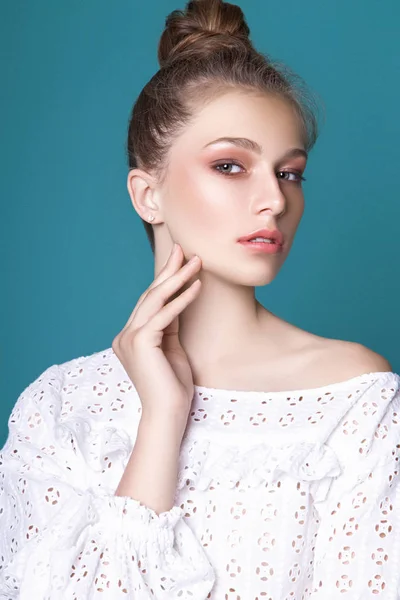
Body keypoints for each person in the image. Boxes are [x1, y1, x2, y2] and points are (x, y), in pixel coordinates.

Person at [1, 0, 399, 597]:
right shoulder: (59, 409)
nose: (274, 199)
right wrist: (163, 418)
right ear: (147, 195)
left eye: (290, 173)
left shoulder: (351, 395)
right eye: (231, 165)